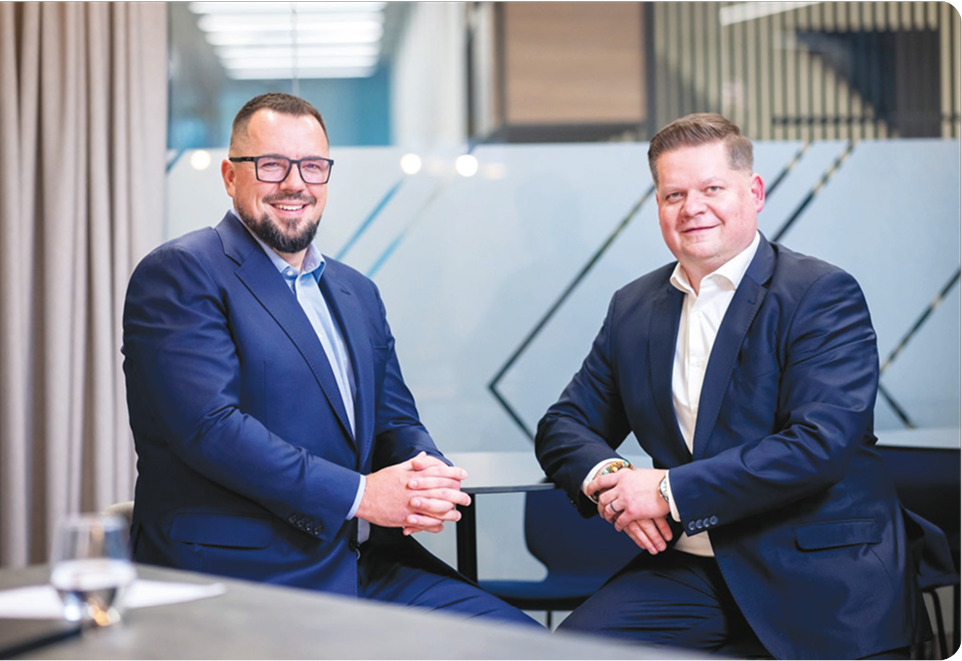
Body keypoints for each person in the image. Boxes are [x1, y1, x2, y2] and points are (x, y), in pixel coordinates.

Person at [535, 113, 952, 659]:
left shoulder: (820, 293)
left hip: (822, 571)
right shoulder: (633, 307)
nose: (692, 208)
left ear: (754, 193)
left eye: (712, 189)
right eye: (674, 194)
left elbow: (818, 446)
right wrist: (613, 478)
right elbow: (564, 424)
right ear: (658, 206)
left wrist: (664, 491)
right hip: (693, 568)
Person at [122, 92, 536, 627]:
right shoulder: (182, 272)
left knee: (526, 643)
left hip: (368, 564)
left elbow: (394, 420)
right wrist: (363, 495)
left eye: (313, 166)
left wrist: (423, 475)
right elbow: (211, 430)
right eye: (272, 164)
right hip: (246, 575)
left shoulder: (355, 291)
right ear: (230, 175)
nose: (295, 183)